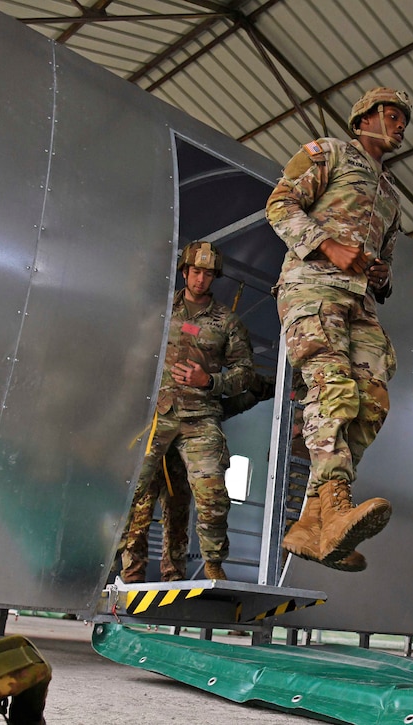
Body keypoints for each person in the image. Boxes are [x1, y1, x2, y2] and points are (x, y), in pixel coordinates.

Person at [265, 87, 412, 572]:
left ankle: (312, 525)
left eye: (401, 120)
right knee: (334, 391)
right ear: (363, 118)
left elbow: (385, 261)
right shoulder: (327, 152)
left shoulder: (390, 195)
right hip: (311, 286)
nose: (398, 126)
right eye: (390, 116)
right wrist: (328, 246)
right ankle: (333, 502)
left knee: (372, 401)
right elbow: (281, 205)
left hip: (360, 301)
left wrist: (381, 274)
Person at [120, 240, 256, 582]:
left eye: (208, 274)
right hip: (158, 416)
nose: (201, 280)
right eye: (196, 271)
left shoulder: (227, 322)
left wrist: (210, 381)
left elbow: (245, 375)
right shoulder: (162, 313)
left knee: (211, 491)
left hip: (201, 418)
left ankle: (213, 563)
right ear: (185, 272)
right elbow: (136, 362)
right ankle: (120, 567)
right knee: (130, 488)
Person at [120, 448, 192, 583]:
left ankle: (174, 574)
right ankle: (133, 573)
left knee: (178, 519)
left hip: (177, 455)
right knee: (139, 517)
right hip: (149, 451)